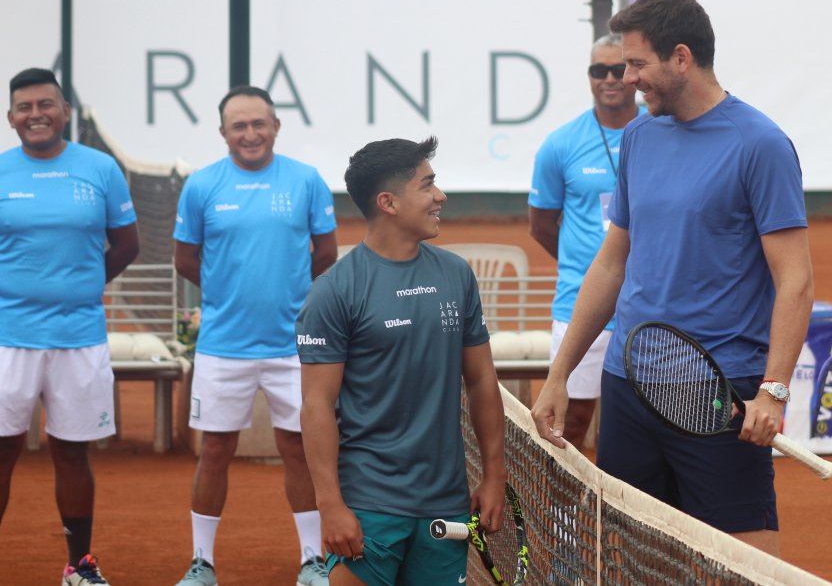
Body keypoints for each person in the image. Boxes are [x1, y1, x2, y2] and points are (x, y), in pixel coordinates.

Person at [530, 0, 815, 556]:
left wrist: (773, 392)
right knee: (635, 557)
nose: (627, 78)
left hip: (719, 391)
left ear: (681, 58)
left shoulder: (760, 144)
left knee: (743, 561)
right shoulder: (639, 136)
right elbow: (611, 263)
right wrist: (560, 373)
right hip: (628, 384)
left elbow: (796, 280)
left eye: (637, 64)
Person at [297, 137, 507, 585]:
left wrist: (495, 475)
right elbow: (316, 405)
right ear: (388, 203)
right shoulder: (334, 291)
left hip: (445, 503)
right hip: (367, 504)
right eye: (427, 185)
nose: (440, 196)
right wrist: (329, 504)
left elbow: (482, 380)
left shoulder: (457, 275)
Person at [172, 86, 338, 586]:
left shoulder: (306, 181)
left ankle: (311, 560)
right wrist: (228, 295)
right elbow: (186, 259)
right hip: (222, 347)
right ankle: (201, 563)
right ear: (223, 132)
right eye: (239, 126)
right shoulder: (201, 186)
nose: (250, 134)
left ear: (276, 126)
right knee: (214, 450)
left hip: (294, 348)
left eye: (258, 123)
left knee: (299, 448)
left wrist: (292, 301)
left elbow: (325, 255)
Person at [0, 67, 140, 585]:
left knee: (72, 453)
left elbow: (126, 245)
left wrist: (80, 285)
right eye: (25, 107)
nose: (35, 114)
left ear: (65, 112)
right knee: (1, 451)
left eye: (46, 104)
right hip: (7, 339)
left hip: (79, 338)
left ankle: (79, 567)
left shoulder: (100, 169)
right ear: (11, 117)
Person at [527, 33, 644, 449]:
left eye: (617, 69)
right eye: (598, 70)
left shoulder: (663, 131)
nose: (608, 79)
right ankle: (563, 499)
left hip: (649, 302)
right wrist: (594, 271)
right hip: (580, 302)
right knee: (570, 422)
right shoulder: (560, 144)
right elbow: (541, 226)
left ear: (633, 74)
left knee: (647, 423)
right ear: (589, 76)